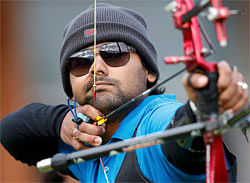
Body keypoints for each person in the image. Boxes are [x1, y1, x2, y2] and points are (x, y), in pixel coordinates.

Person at [0, 3, 248, 183]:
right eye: (80, 62)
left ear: (149, 71)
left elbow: (180, 137)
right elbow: (11, 131)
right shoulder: (85, 140)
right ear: (70, 85)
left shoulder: (155, 120)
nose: (96, 68)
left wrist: (202, 106)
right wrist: (60, 122)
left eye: (115, 53)